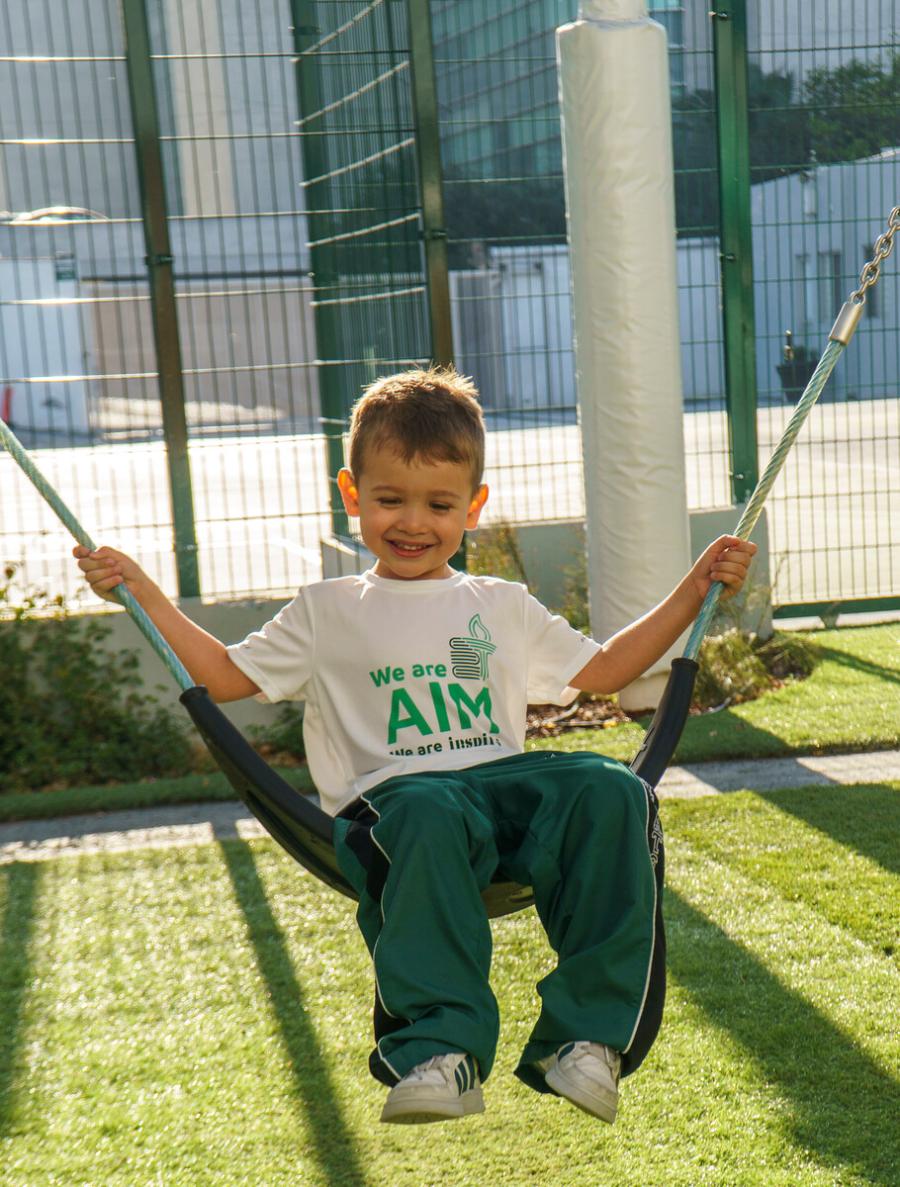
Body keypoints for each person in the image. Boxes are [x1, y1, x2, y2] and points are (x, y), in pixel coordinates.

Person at [74, 367, 757, 1127]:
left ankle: (588, 1040)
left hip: (500, 791)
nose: (412, 522)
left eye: (439, 504)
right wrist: (143, 591)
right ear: (352, 493)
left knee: (611, 789)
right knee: (430, 804)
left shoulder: (498, 603)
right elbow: (224, 675)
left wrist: (695, 589)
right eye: (389, 499)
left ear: (474, 506)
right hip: (396, 805)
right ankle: (439, 1049)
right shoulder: (327, 610)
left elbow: (606, 669)